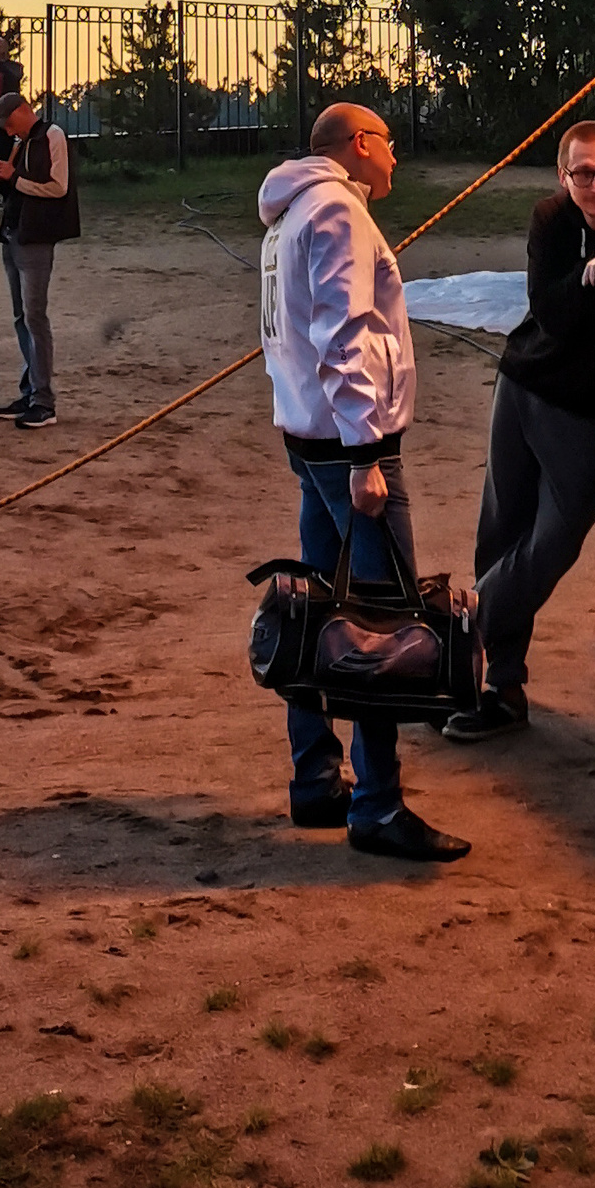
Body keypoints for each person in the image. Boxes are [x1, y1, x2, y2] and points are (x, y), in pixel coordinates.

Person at [257, 98, 469, 865]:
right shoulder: (336, 211)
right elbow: (343, 330)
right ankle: (377, 804)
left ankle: (316, 775)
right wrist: (367, 452)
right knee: (380, 621)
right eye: (388, 143)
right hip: (349, 447)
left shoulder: (288, 212)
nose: (396, 159)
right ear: (357, 144)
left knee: (320, 601)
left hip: (307, 434)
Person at [447, 118, 595, 741]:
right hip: (526, 382)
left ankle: (456, 629)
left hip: (588, 410)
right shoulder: (551, 220)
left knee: (556, 539)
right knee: (502, 527)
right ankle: (501, 685)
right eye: (581, 173)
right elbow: (553, 313)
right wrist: (593, 274)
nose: (593, 183)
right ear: (564, 177)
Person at [0, 91, 79, 432]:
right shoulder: (21, 143)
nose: (9, 130)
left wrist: (14, 177)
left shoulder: (52, 136)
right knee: (21, 317)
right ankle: (29, 392)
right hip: (14, 235)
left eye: (10, 122)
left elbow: (58, 187)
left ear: (24, 111)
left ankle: (43, 401)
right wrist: (0, 179)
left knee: (35, 316)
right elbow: (19, 187)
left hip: (37, 239)